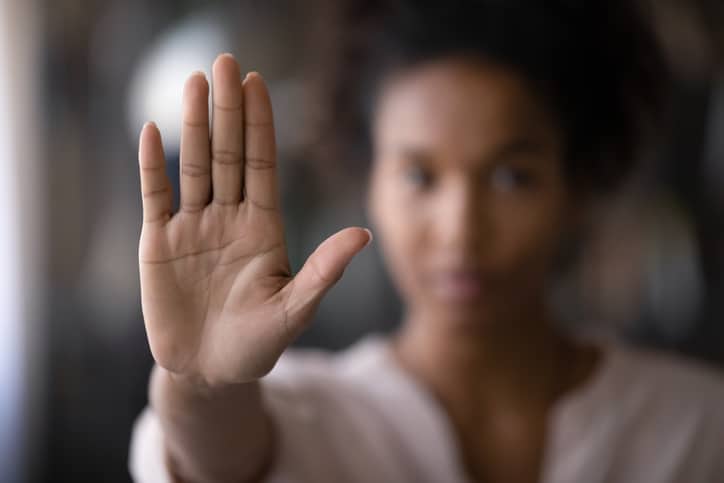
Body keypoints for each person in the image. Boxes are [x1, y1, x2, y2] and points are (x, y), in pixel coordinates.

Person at [129, 2, 724, 482]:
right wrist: (201, 381)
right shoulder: (312, 414)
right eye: (420, 176)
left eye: (512, 176)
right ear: (369, 182)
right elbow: (215, 457)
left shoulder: (696, 430)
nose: (460, 230)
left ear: (577, 185)